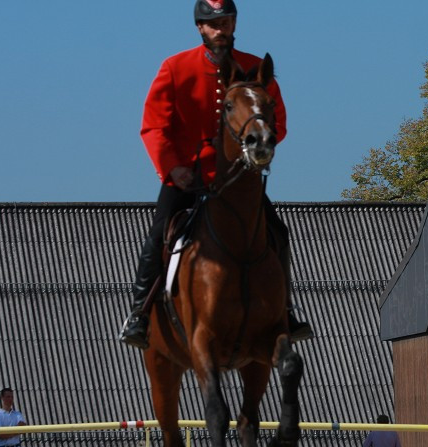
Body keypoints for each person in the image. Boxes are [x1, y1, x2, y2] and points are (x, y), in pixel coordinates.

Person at [119, 0, 310, 349]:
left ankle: (286, 309)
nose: (220, 29)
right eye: (213, 24)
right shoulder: (175, 68)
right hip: (187, 177)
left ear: (235, 24)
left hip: (238, 179)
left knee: (278, 232)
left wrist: (258, 151)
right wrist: (173, 167)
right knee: (158, 232)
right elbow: (154, 126)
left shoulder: (255, 68)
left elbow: (276, 122)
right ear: (200, 28)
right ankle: (139, 314)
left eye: (226, 22)